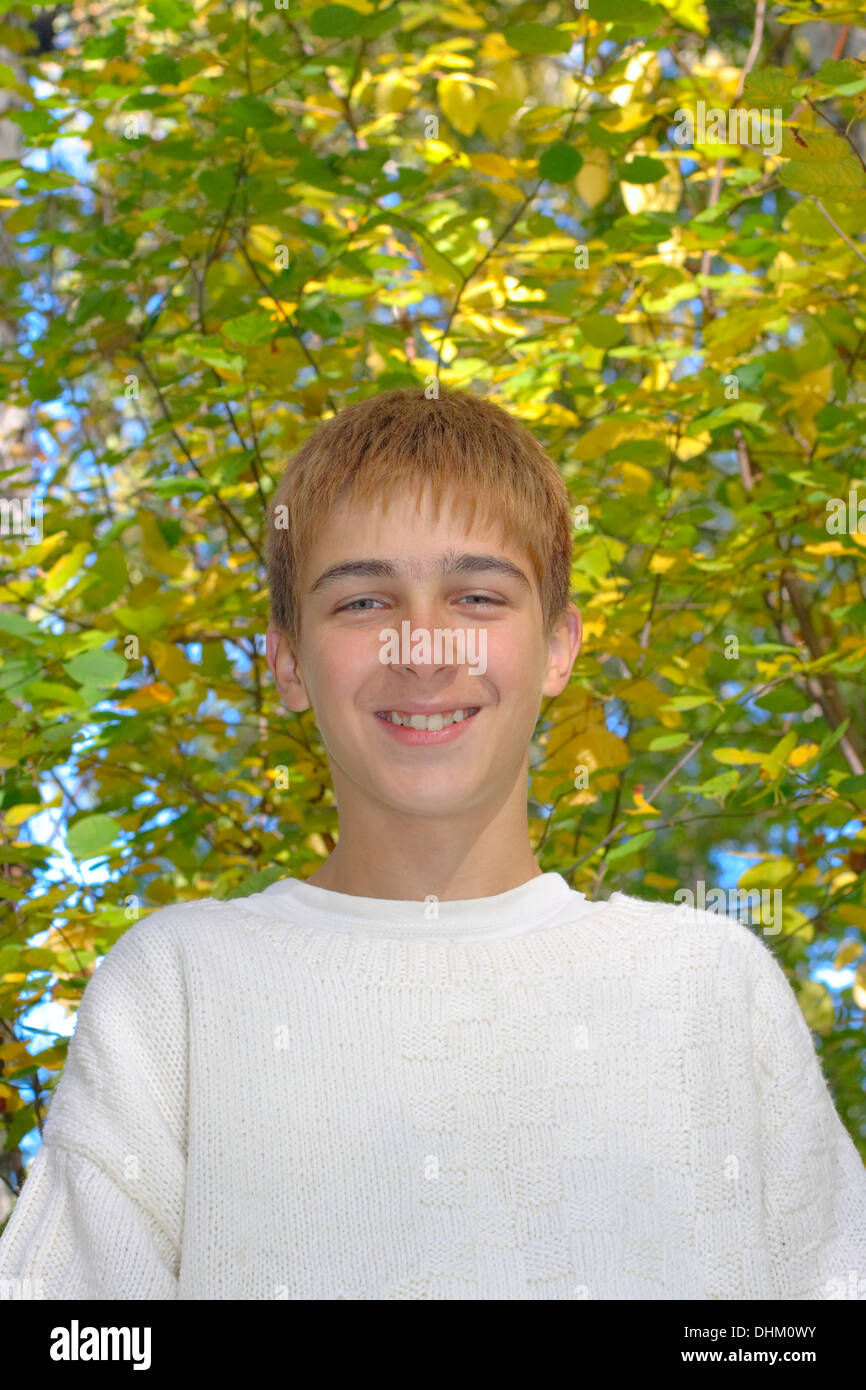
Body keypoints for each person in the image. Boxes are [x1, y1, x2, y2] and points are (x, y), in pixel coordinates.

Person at [1, 386, 865, 1300]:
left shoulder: (710, 986)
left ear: (559, 647)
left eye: (478, 596)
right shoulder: (176, 990)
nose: (421, 647)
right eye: (366, 600)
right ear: (288, 662)